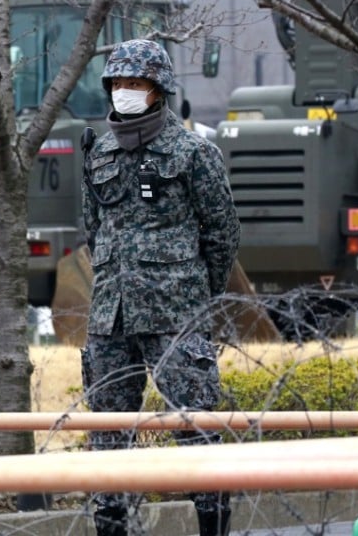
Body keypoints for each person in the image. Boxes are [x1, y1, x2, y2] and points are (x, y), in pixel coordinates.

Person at [80, 39, 241, 536]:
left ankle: (213, 527)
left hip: (177, 313)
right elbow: (93, 225)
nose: (126, 92)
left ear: (158, 90)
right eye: (119, 84)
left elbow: (221, 232)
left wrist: (194, 293)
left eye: (137, 84)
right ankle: (113, 528)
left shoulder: (194, 151)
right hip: (111, 314)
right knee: (108, 434)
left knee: (196, 430)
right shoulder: (98, 149)